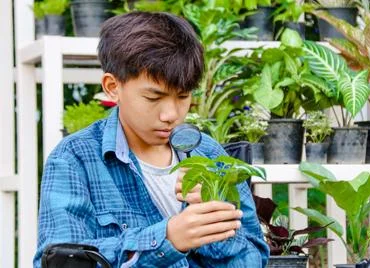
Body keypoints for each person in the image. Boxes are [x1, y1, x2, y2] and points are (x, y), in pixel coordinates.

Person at [34, 12, 269, 267]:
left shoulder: (210, 155)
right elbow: (60, 261)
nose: (171, 115)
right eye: (153, 98)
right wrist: (166, 239)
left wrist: (215, 223)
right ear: (113, 87)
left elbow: (253, 259)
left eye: (182, 97)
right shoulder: (74, 158)